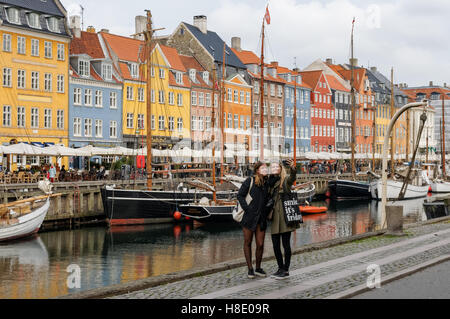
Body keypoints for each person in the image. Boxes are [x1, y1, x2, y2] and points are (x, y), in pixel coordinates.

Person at [267, 159, 300, 280]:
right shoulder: (269, 182)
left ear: (281, 169)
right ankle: (280, 268)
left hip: (285, 216)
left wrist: (293, 168)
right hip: (275, 216)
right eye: (272, 167)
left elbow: (292, 178)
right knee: (275, 245)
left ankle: (286, 269)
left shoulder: (284, 181)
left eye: (276, 167)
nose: (274, 168)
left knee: (286, 244)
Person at [237, 162, 269, 279]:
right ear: (257, 170)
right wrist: (248, 209)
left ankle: (258, 267)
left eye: (266, 167)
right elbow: (240, 195)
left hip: (261, 217)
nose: (265, 169)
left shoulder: (267, 183)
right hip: (249, 217)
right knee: (248, 242)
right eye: (263, 167)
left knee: (260, 244)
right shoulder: (249, 181)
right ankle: (250, 269)